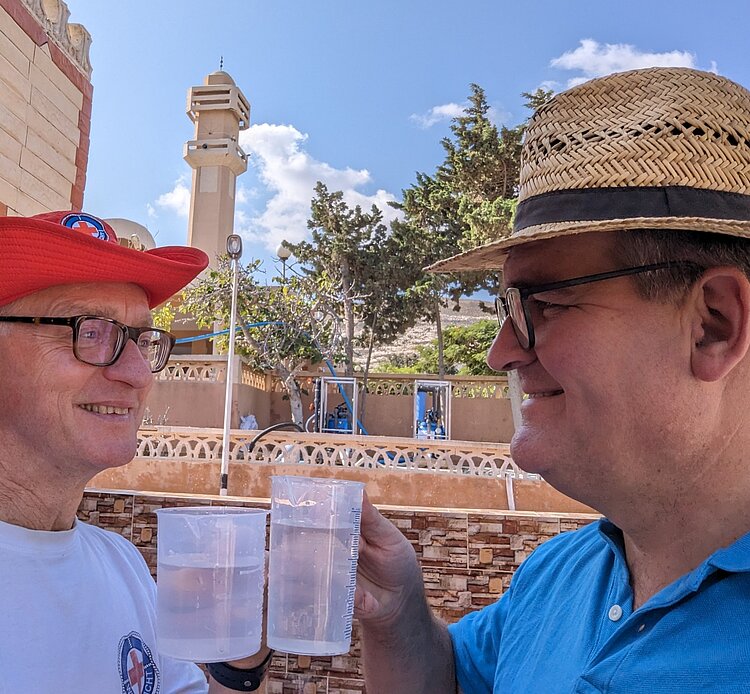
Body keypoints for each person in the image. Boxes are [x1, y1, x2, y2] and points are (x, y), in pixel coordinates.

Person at [354, 67, 750, 693]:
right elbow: (453, 682)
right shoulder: (560, 574)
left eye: (541, 305)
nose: (500, 352)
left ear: (713, 325)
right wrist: (398, 611)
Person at [0, 211, 273, 693]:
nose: (140, 374)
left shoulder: (121, 565)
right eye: (89, 331)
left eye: (141, 340)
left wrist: (241, 663)